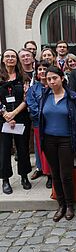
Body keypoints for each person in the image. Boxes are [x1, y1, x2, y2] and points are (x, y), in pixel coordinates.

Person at [39, 66, 76, 222]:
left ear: (62, 78)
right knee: (55, 174)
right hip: (49, 140)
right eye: (49, 79)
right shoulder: (44, 96)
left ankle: (70, 205)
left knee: (66, 174)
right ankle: (61, 204)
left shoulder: (73, 97)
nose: (51, 81)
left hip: (66, 140)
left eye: (54, 78)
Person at [0, 49, 32, 194]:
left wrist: (14, 113)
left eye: (13, 56)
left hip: (21, 116)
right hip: (2, 118)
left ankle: (24, 176)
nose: (10, 59)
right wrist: (5, 113)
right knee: (4, 149)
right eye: (7, 56)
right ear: (3, 60)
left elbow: (27, 98)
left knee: (23, 148)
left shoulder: (24, 77)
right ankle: (5, 179)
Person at [26, 60, 52, 188]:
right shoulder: (33, 89)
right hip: (39, 124)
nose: (42, 71)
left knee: (52, 149)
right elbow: (32, 106)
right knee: (40, 149)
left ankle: (52, 173)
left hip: (54, 125)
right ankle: (45, 172)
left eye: (45, 69)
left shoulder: (55, 86)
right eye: (40, 69)